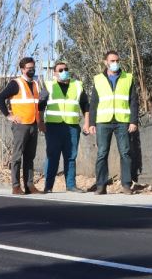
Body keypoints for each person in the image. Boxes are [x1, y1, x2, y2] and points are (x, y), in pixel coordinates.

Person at [88, 50, 139, 194]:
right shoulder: (98, 79)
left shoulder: (128, 78)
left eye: (117, 60)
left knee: (125, 153)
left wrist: (133, 121)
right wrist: (92, 123)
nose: (115, 63)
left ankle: (126, 185)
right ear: (106, 62)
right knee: (102, 153)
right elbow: (93, 103)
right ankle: (101, 185)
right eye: (112, 61)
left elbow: (133, 101)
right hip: (103, 122)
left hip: (122, 122)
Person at [39, 61, 90, 193]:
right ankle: (48, 186)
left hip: (72, 127)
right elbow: (41, 105)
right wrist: (40, 122)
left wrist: (87, 122)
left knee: (71, 156)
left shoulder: (78, 85)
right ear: (55, 73)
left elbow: (85, 105)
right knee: (52, 156)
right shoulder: (49, 85)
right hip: (53, 127)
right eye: (60, 70)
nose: (64, 72)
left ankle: (71, 185)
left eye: (66, 69)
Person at [0, 57, 43, 195]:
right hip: (21, 125)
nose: (32, 70)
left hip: (33, 124)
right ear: (22, 69)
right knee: (17, 156)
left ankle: (29, 185)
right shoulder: (16, 83)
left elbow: (37, 104)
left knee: (30, 157)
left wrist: (40, 122)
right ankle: (16, 186)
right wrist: (9, 116)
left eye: (33, 67)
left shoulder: (35, 84)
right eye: (29, 68)